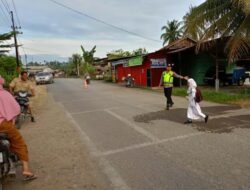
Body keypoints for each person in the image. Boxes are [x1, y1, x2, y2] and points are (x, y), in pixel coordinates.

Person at [0, 76, 37, 181]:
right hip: (3, 125)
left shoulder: (27, 82)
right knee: (19, 144)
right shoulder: (4, 94)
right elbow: (16, 109)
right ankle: (26, 170)